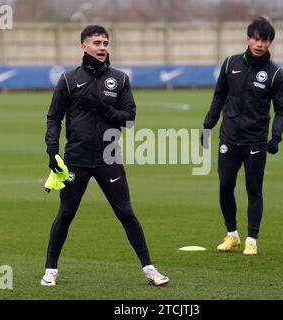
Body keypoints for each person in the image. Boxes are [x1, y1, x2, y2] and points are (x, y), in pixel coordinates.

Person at [41, 25, 169, 286]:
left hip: (108, 159)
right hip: (76, 159)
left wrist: (102, 107)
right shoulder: (68, 79)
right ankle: (50, 270)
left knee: (126, 213)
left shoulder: (119, 79)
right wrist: (53, 151)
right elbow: (54, 117)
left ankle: (149, 269)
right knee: (65, 214)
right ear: (83, 46)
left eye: (105, 43)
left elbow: (129, 120)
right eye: (97, 42)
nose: (102, 47)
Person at [202, 17, 283, 255]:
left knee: (253, 189)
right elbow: (219, 96)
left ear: (270, 42)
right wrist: (208, 125)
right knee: (225, 185)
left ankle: (252, 239)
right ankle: (232, 236)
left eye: (265, 40)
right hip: (229, 138)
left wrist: (276, 136)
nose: (260, 44)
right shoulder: (230, 63)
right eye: (256, 39)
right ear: (247, 38)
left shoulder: (275, 73)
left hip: (255, 141)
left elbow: (281, 110)